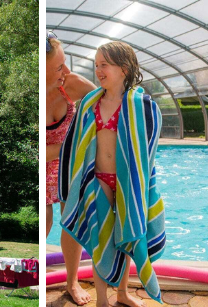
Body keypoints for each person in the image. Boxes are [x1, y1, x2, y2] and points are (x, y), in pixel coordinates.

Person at [58, 41, 166, 307]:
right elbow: (76, 145)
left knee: (126, 234)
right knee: (101, 240)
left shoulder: (141, 105)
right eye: (96, 65)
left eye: (104, 65)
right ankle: (102, 300)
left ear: (124, 69)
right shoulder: (90, 104)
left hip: (127, 182)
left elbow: (147, 149)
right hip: (99, 179)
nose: (99, 70)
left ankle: (123, 293)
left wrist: (141, 182)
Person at [45, 30, 96, 306]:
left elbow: (106, 101)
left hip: (67, 164)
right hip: (44, 165)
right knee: (45, 220)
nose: (65, 70)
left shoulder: (70, 84)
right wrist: (73, 144)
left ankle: (72, 282)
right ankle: (34, 272)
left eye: (65, 63)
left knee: (71, 220)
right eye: (57, 67)